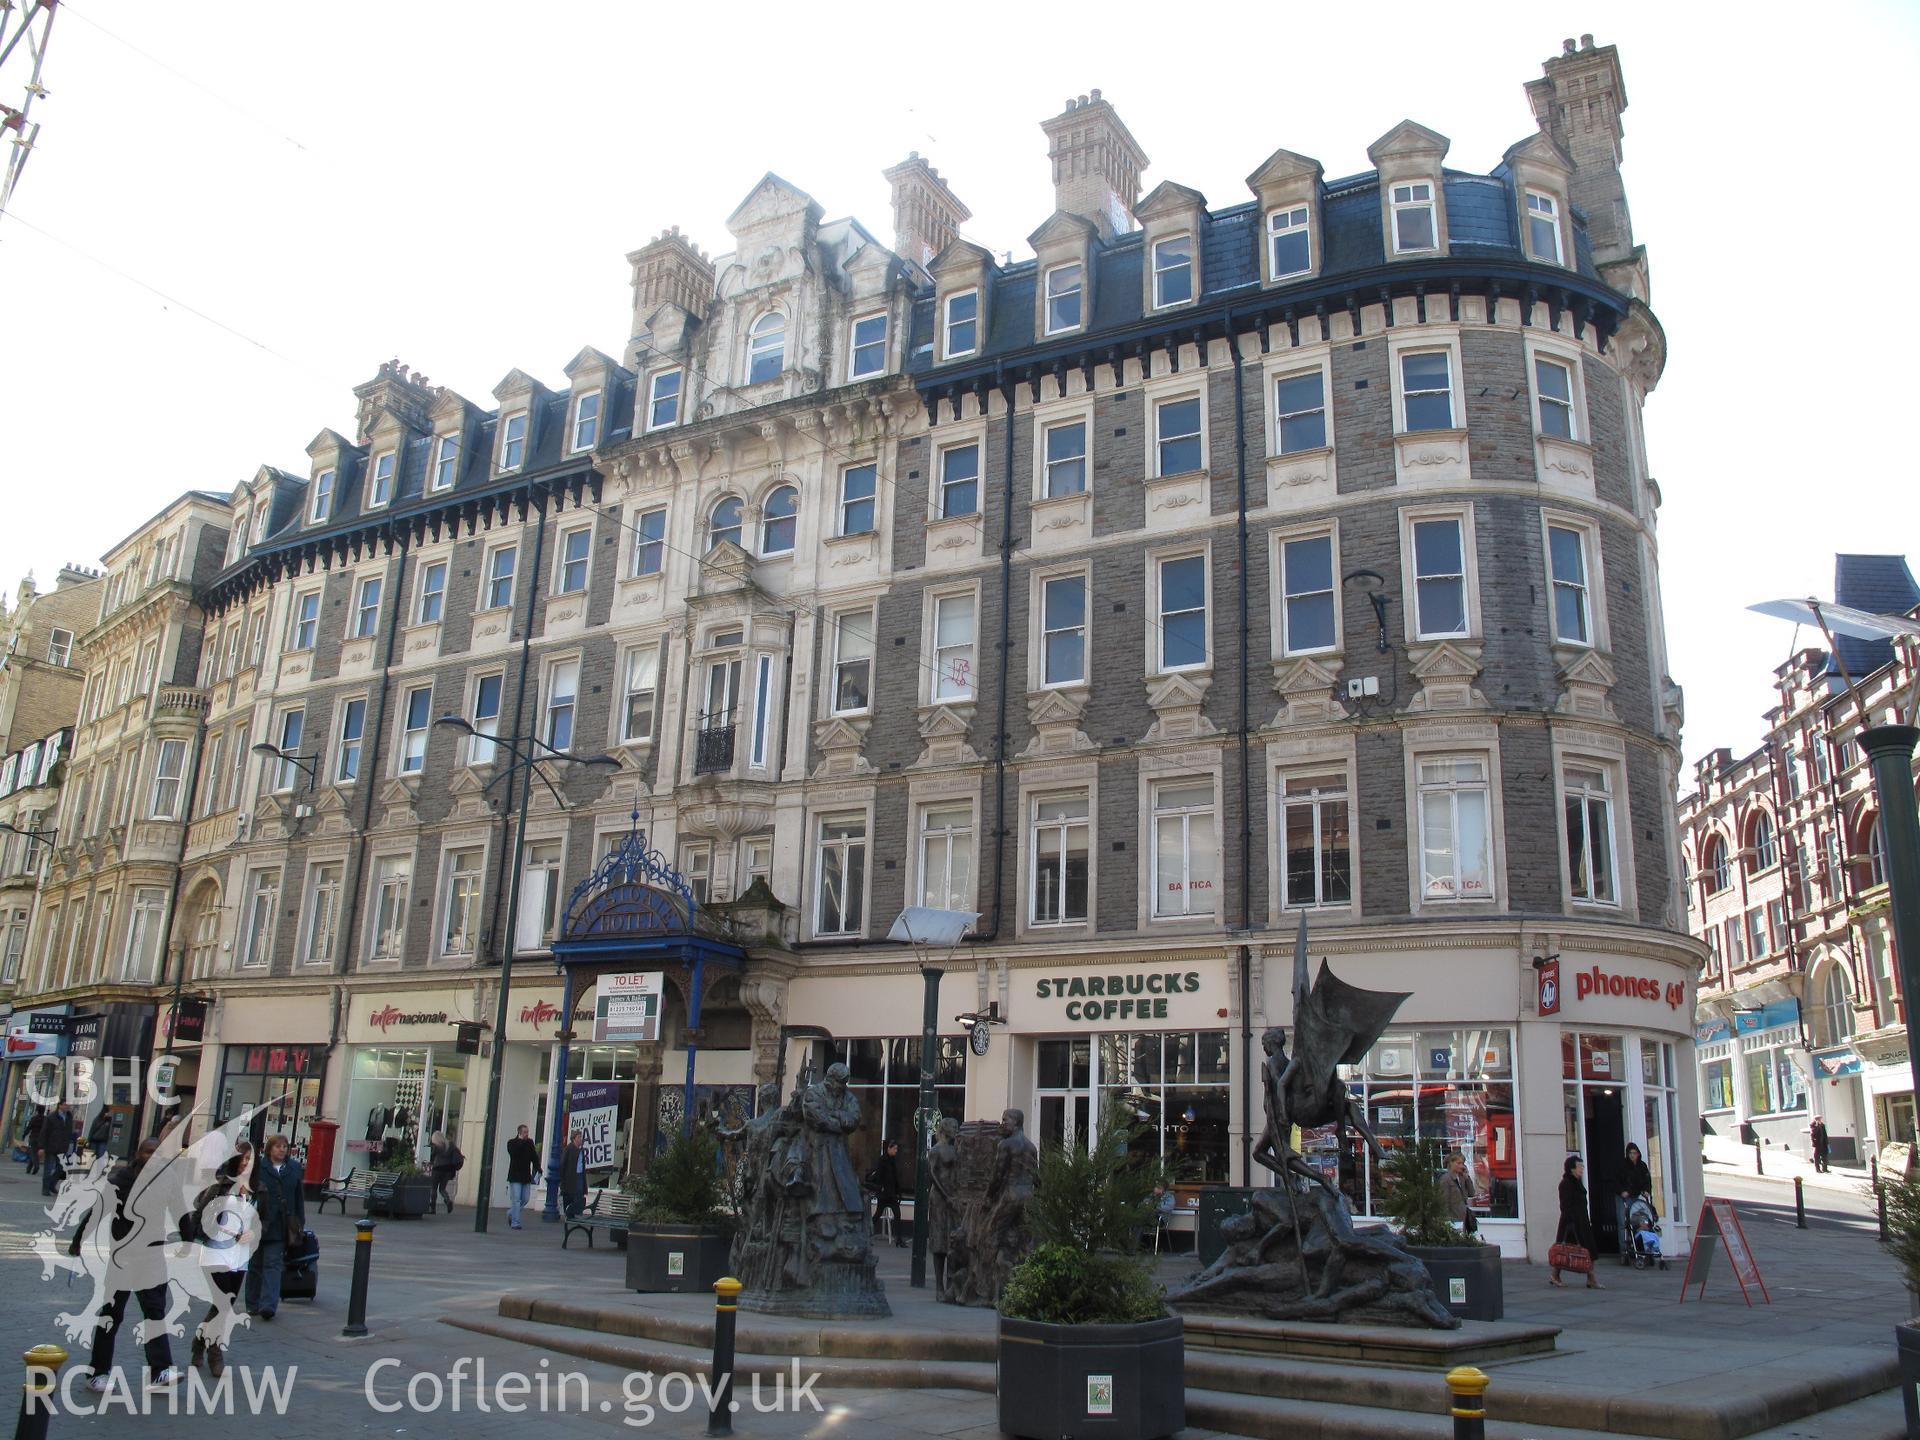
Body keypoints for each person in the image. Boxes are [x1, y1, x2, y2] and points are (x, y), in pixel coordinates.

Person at [83, 1138, 184, 1392]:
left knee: (155, 1313)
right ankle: (98, 1373)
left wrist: (190, 1240)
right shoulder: (121, 1180)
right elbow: (97, 1212)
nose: (152, 1157)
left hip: (151, 1257)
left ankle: (160, 1372)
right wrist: (78, 1242)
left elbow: (180, 1211)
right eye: (148, 1152)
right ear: (138, 1154)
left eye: (156, 1153)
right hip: (123, 1259)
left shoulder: (166, 1180)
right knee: (111, 1315)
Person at [187, 1142, 253, 1378]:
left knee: (225, 1305)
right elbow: (199, 1217)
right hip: (217, 1251)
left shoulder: (256, 1189)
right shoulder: (221, 1187)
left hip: (240, 1255)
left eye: (251, 1159)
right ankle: (215, 1353)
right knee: (222, 1304)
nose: (248, 1162)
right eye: (244, 1158)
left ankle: (198, 1342)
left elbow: (259, 1220)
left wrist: (253, 1232)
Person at [247, 1134, 304, 1320]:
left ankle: (268, 1305)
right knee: (255, 1265)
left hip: (281, 1223)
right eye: (278, 1146)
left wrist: (299, 1222)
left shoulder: (294, 1168)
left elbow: (298, 1198)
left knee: (272, 1264)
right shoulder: (259, 1167)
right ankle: (252, 1303)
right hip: (257, 1222)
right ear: (269, 1148)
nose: (281, 1150)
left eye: (285, 1146)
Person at [1550, 1154, 1603, 1290]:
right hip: (1571, 1222)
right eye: (1579, 1166)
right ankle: (1555, 1276)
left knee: (1589, 1250)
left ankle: (1590, 1278)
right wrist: (1571, 1221)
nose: (1582, 1169)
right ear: (1572, 1168)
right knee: (1563, 1250)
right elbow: (1565, 1205)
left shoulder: (1577, 1182)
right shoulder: (1566, 1183)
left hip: (1582, 1220)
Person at [1615, 1143, 1653, 1265]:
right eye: (1631, 1153)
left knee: (1638, 1223)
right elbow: (1616, 1180)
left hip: (1635, 1196)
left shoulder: (1642, 1166)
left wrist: (1646, 1191)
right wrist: (1622, 1191)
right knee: (1622, 1223)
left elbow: (1646, 1180)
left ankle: (1640, 1249)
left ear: (1638, 1154)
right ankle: (1623, 1251)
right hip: (1623, 1197)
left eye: (1635, 1153)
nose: (1633, 1156)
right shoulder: (1622, 1166)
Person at [867, 1139, 906, 1247]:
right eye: (894, 1148)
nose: (896, 1151)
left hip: (892, 1193)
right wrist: (881, 1188)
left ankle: (899, 1239)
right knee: (877, 1215)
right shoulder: (882, 1160)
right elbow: (879, 1176)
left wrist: (898, 1192)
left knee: (897, 1215)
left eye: (896, 1149)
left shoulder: (893, 1160)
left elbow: (895, 1178)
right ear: (888, 1148)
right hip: (884, 1194)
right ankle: (866, 1234)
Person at [505, 1125, 539, 1230]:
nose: (526, 1134)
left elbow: (534, 1157)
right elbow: (514, 1153)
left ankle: (511, 1212)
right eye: (524, 1132)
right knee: (516, 1200)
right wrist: (521, 1141)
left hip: (525, 1175)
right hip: (515, 1175)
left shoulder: (530, 1143)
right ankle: (515, 1222)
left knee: (525, 1199)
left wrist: (538, 1168)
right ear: (519, 1133)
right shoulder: (512, 1143)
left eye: (527, 1132)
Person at [39, 1100, 74, 1198]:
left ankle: (51, 1184)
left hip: (63, 1147)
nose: (67, 1107)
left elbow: (69, 1132)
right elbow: (44, 1132)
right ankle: (45, 1188)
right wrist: (41, 1147)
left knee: (61, 1167)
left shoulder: (69, 1117)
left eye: (68, 1105)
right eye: (65, 1105)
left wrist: (69, 1144)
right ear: (60, 1105)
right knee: (48, 1168)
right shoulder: (52, 1117)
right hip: (51, 1146)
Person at [1441, 1151, 1478, 1236]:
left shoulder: (1461, 1178)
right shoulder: (1445, 1179)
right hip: (1453, 1219)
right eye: (1459, 1163)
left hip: (1463, 1218)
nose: (1461, 1166)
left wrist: (1467, 1177)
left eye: (1463, 1163)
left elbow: (1472, 1193)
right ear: (1451, 1163)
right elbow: (1443, 1201)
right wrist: (1446, 1221)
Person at [428, 1130, 463, 1214]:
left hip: (437, 1169)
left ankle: (432, 1208)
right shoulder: (450, 1144)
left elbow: (431, 1156)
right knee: (442, 1189)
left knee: (433, 1188)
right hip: (448, 1170)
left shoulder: (436, 1146)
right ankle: (448, 1201)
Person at [560, 1129, 587, 1218]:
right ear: (574, 1138)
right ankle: (568, 1213)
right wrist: (562, 1178)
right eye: (579, 1137)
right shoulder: (568, 1148)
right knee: (569, 1194)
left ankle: (576, 1211)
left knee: (579, 1193)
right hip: (570, 1176)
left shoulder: (581, 1150)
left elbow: (582, 1164)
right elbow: (563, 1163)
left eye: (581, 1137)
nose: (580, 1139)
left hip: (579, 1174)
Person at [22, 1106, 45, 1173]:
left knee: (33, 1153)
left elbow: (29, 1127)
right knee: (33, 1152)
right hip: (41, 1139)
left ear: (37, 1111)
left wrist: (24, 1135)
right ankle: (28, 1169)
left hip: (33, 1137)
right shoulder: (46, 1119)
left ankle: (36, 1166)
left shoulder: (34, 1118)